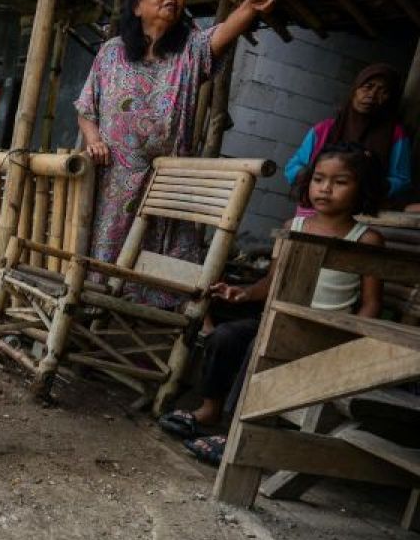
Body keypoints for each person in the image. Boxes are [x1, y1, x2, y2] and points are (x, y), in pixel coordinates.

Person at [158, 143, 385, 463]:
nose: (326, 188)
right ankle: (210, 410)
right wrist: (244, 293)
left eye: (340, 182)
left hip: (323, 331)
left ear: (362, 188)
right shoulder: (294, 228)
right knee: (226, 336)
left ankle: (237, 431)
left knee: (258, 346)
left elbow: (371, 303)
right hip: (277, 320)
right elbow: (272, 283)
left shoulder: (365, 239)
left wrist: (349, 345)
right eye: (319, 179)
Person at [75, 0, 289, 303]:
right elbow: (86, 108)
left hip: (167, 178)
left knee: (166, 258)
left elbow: (222, 34)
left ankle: (156, 327)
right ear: (137, 6)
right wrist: (94, 140)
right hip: (114, 178)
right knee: (104, 257)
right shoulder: (112, 52)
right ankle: (96, 316)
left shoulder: (190, 50)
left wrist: (249, 6)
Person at [284, 64, 412, 209]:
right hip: (316, 209)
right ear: (354, 90)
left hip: (365, 212)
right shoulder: (324, 129)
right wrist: (316, 178)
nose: (372, 95)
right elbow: (293, 167)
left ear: (390, 99)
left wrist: (368, 186)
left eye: (383, 91)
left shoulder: (395, 134)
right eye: (368, 86)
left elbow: (401, 180)